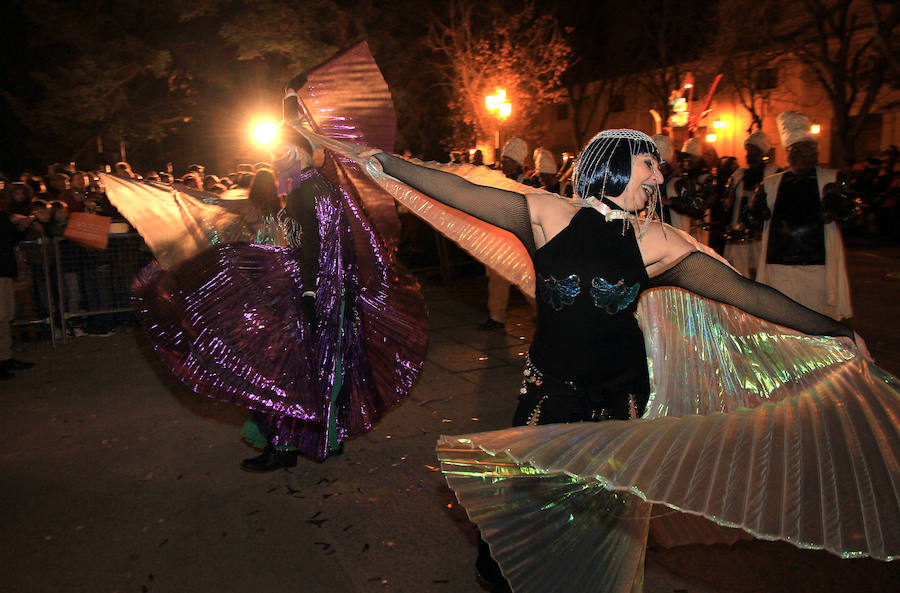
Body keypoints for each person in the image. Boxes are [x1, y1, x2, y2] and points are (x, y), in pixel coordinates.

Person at [359, 128, 871, 592]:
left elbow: (746, 293)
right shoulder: (547, 213)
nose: (659, 174)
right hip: (551, 383)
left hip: (619, 389)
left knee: (603, 499)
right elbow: (458, 191)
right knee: (528, 487)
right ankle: (505, 571)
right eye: (650, 163)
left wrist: (835, 329)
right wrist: (385, 160)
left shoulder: (658, 241)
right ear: (616, 161)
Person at [753, 111, 852, 319]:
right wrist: (756, 210)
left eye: (806, 149)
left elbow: (849, 217)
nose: (800, 155)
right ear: (787, 153)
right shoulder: (770, 184)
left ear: (815, 152)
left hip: (817, 267)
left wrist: (838, 206)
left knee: (817, 322)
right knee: (782, 323)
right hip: (779, 268)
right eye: (794, 150)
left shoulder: (831, 179)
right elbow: (753, 220)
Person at [478, 137, 529, 331]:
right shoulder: (499, 180)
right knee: (498, 278)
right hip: (501, 238)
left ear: (517, 163)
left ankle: (544, 315)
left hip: (520, 239)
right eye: (504, 160)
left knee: (526, 281)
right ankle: (496, 316)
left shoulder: (528, 183)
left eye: (508, 161)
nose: (504, 164)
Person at [722, 130, 779, 277]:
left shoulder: (774, 174)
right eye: (748, 151)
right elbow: (727, 203)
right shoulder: (738, 175)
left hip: (760, 236)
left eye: (753, 152)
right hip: (738, 235)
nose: (749, 156)